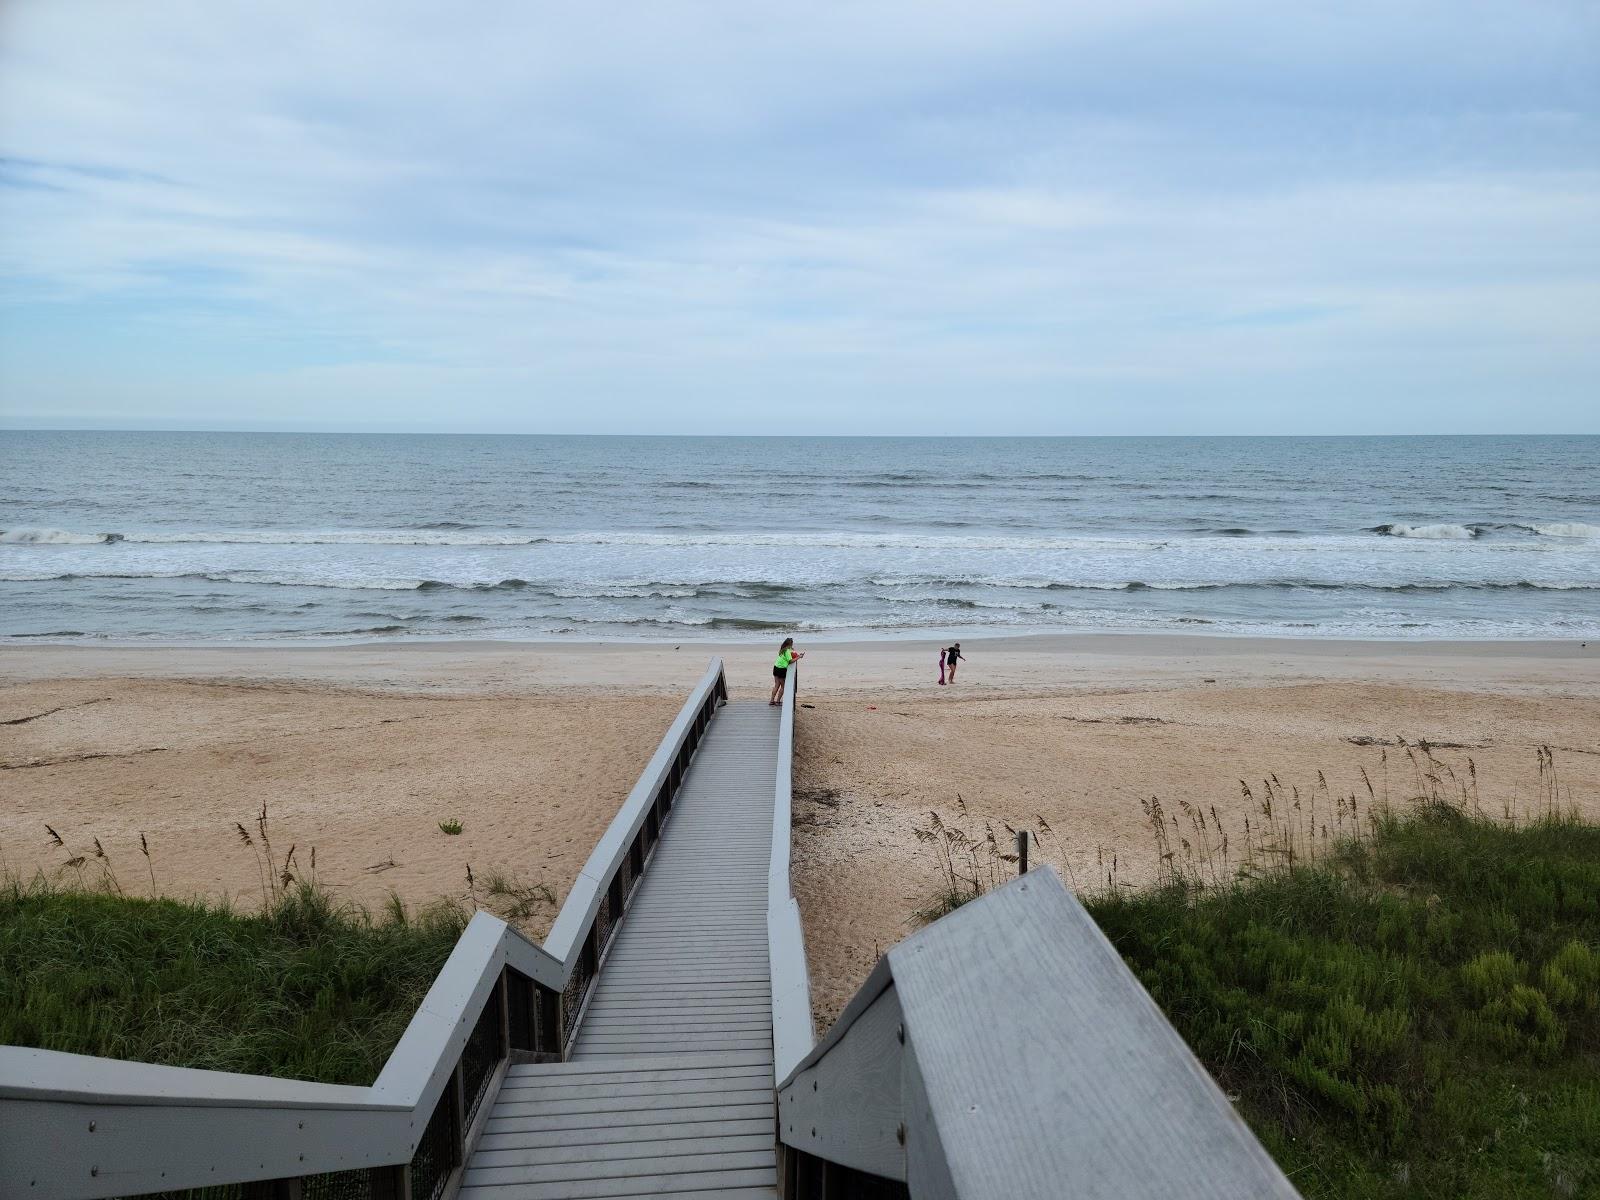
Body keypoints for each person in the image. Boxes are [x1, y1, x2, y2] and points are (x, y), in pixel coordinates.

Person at [770, 637, 803, 705]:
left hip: (776, 667)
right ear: (790, 644)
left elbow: (791, 651)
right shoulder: (787, 651)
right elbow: (790, 661)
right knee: (783, 686)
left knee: (776, 685)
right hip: (781, 669)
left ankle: (771, 700)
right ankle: (778, 701)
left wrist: (793, 650)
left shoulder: (782, 649)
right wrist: (799, 657)